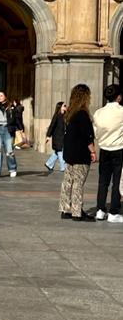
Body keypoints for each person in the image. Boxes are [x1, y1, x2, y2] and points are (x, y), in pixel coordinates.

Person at [59, 83, 96, 222]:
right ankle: (77, 211)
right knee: (78, 182)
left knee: (68, 181)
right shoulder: (82, 114)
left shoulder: (70, 113)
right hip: (80, 153)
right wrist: (93, 151)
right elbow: (88, 136)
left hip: (69, 152)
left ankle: (65, 209)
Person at [92, 84, 123, 224]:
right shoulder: (122, 111)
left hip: (104, 149)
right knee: (117, 181)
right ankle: (114, 212)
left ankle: (100, 210)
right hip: (119, 149)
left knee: (103, 181)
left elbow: (96, 133)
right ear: (119, 97)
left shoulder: (98, 113)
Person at [45, 101, 67, 172]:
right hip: (57, 137)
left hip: (62, 137)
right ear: (60, 107)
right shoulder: (56, 115)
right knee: (60, 151)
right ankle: (63, 167)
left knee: (57, 152)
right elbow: (52, 126)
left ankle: (49, 164)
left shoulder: (64, 115)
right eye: (64, 106)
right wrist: (48, 136)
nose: (65, 107)